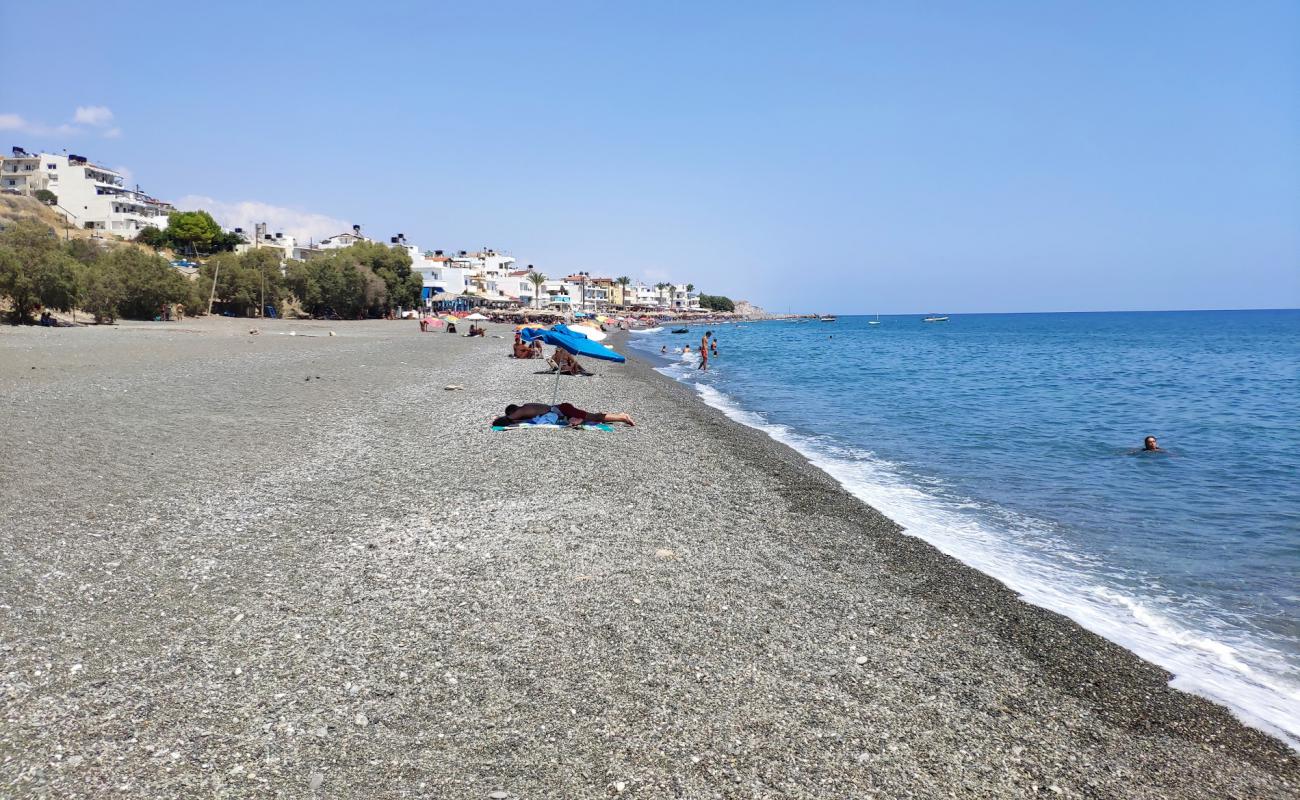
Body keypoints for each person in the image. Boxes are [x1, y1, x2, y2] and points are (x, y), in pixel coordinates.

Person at [492, 402, 635, 429]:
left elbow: (517, 421)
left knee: (594, 417)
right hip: (561, 409)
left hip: (564, 410)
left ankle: (622, 417)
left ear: (512, 413)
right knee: (590, 417)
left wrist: (505, 421)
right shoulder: (523, 408)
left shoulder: (520, 412)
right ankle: (620, 415)